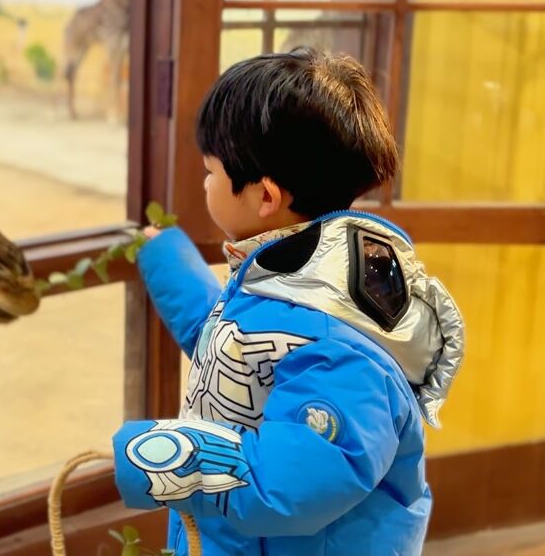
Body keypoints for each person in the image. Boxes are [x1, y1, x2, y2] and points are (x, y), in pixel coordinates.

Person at [111, 47, 465, 555]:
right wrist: (164, 253)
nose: (205, 182)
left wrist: (154, 458)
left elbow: (291, 486)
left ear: (265, 197)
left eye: (210, 171)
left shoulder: (339, 341)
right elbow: (233, 345)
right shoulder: (300, 273)